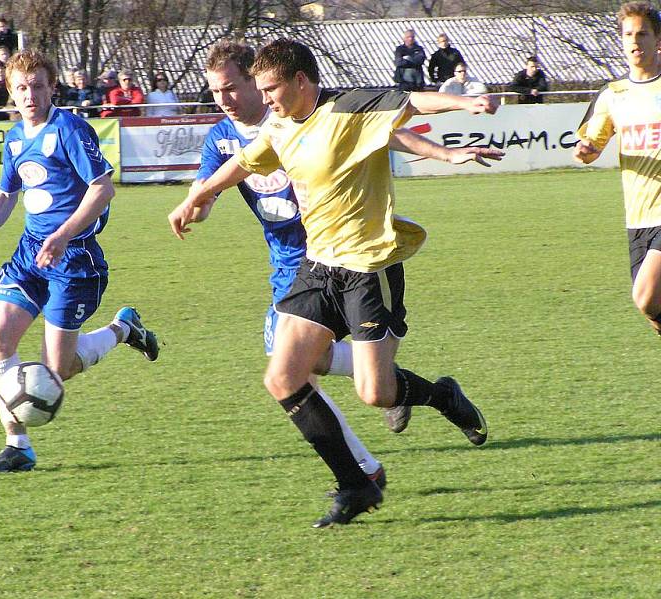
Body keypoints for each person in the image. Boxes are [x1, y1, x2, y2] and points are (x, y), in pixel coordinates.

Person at [170, 38, 500, 528]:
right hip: (317, 267)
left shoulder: (346, 108)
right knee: (282, 379)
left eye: (271, 88)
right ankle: (355, 485)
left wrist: (463, 109)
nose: (266, 99)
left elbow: (407, 104)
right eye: (260, 88)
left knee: (376, 393)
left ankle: (440, 395)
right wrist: (196, 196)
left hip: (368, 268)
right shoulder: (279, 125)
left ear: (301, 80)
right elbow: (246, 162)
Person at [168, 39, 388, 494]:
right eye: (214, 92)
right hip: (288, 263)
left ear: (258, 80)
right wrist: (195, 205)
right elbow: (207, 189)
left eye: (230, 88)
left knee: (292, 369)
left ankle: (366, 463)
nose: (223, 100)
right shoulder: (222, 137)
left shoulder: (297, 116)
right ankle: (386, 411)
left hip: (337, 254)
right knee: (302, 367)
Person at [0, 49, 160, 473]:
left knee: (58, 369)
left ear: (52, 88)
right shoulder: (14, 137)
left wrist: (63, 236)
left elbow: (102, 189)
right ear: (10, 92)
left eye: (38, 86)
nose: (30, 95)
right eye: (21, 88)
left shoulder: (69, 129)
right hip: (31, 253)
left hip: (75, 258)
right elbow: (8, 194)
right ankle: (17, 446)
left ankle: (123, 329)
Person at [575, 1, 661, 337]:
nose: (634, 40)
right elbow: (590, 149)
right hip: (638, 217)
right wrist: (584, 151)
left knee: (644, 297)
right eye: (628, 34)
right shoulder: (613, 95)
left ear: (658, 40)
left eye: (642, 33)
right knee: (653, 308)